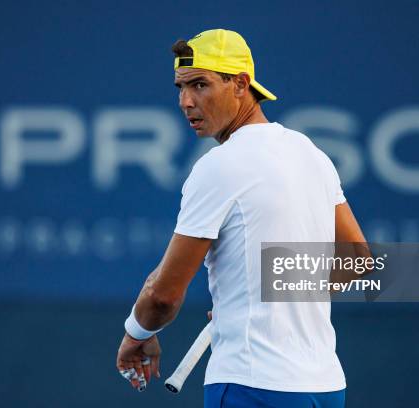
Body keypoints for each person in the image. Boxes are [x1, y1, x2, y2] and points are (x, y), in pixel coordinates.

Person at [116, 28, 366, 408]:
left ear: (240, 84)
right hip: (325, 389)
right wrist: (257, 297)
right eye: (180, 88)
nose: (186, 101)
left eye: (200, 85)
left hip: (253, 386)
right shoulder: (310, 152)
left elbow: (163, 295)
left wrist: (136, 333)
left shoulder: (218, 166)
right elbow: (357, 262)